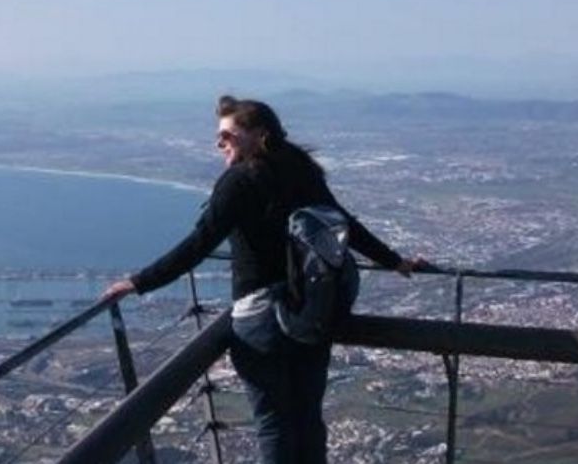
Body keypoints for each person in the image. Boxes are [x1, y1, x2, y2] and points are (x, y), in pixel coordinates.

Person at [104, 95, 423, 464]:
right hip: (310, 311)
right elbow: (345, 225)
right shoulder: (302, 171)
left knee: (274, 424)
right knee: (307, 418)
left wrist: (139, 282)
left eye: (227, 134)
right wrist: (395, 261)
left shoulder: (238, 181)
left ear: (260, 135)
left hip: (260, 319)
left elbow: (198, 245)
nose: (219, 143)